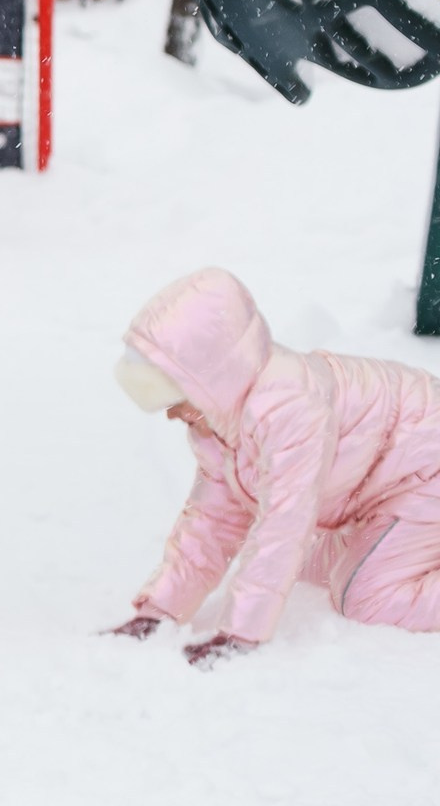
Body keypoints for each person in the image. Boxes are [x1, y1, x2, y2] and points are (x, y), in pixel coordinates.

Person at [110, 266, 440, 664]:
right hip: (383, 484)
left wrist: (240, 633)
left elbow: (284, 524)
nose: (170, 414)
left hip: (427, 468)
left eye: (171, 395)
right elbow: (212, 523)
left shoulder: (288, 408)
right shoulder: (218, 422)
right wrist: (158, 611)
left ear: (208, 377)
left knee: (364, 595)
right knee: (308, 564)